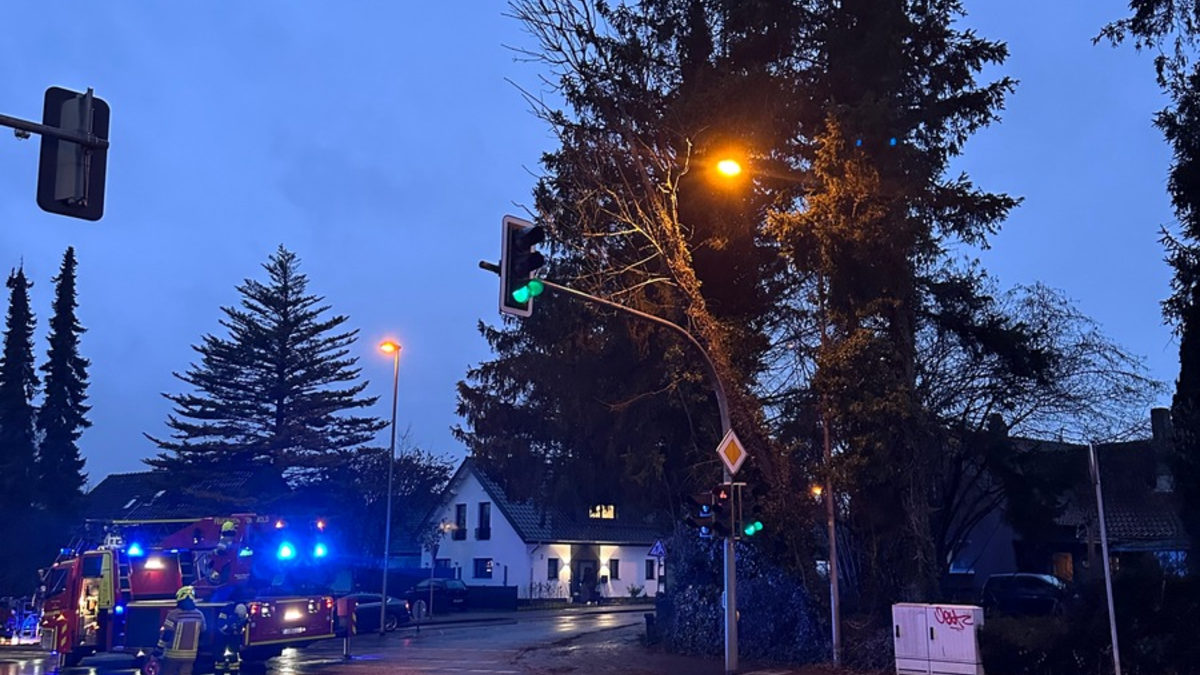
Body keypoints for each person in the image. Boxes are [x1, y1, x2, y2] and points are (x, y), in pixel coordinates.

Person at [153, 586, 207, 675]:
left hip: (172, 655)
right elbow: (203, 632)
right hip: (191, 655)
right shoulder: (199, 615)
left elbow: (167, 633)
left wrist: (159, 649)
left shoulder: (174, 614)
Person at [214, 594, 249, 675]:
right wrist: (229, 627)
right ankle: (219, 672)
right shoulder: (226, 610)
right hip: (222, 636)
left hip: (234, 636)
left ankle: (234, 672)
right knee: (220, 656)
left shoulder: (244, 612)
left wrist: (238, 631)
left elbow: (244, 624)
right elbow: (220, 624)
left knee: (234, 654)